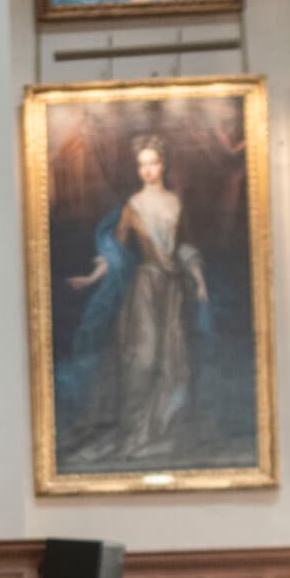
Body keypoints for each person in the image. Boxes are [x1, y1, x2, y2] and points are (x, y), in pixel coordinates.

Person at [59, 134, 210, 467]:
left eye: (153, 163)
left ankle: (161, 434)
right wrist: (91, 278)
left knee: (174, 362)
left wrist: (199, 281)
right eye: (142, 165)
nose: (147, 170)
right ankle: (136, 432)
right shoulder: (132, 206)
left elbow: (185, 248)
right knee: (141, 361)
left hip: (174, 291)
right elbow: (115, 251)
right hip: (144, 290)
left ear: (163, 164)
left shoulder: (177, 203)